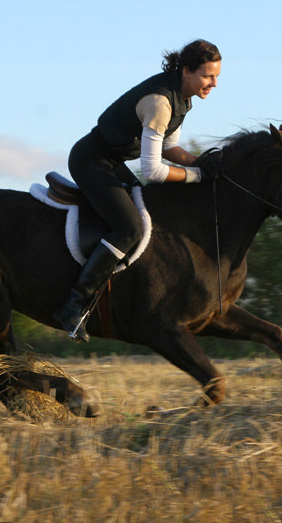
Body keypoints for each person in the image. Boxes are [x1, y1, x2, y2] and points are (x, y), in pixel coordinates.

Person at [56, 39, 223, 341]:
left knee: (151, 208)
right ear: (186, 71)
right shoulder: (161, 102)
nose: (213, 83)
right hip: (90, 161)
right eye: (208, 76)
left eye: (216, 77)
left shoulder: (182, 97)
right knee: (129, 227)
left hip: (110, 161)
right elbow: (153, 170)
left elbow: (169, 148)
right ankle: (74, 304)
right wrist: (197, 175)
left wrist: (203, 164)